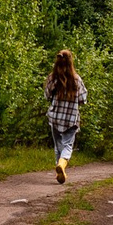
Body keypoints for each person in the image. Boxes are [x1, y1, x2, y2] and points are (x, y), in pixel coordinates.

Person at [44, 49, 87, 183]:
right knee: (67, 145)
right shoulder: (76, 79)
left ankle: (59, 172)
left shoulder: (52, 78)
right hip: (70, 119)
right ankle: (62, 165)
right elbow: (83, 99)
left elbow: (46, 95)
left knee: (58, 146)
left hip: (56, 118)